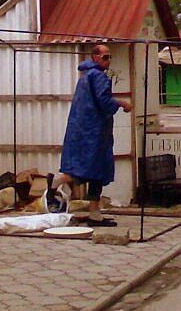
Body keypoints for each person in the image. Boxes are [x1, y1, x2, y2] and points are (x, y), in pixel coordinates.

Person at [51, 45, 132, 219]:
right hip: (95, 131)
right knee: (95, 169)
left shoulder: (85, 76)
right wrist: (121, 104)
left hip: (83, 129)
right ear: (95, 57)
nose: (108, 61)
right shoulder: (98, 76)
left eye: (110, 57)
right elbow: (104, 102)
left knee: (89, 167)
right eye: (105, 57)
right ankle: (63, 180)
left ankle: (92, 209)